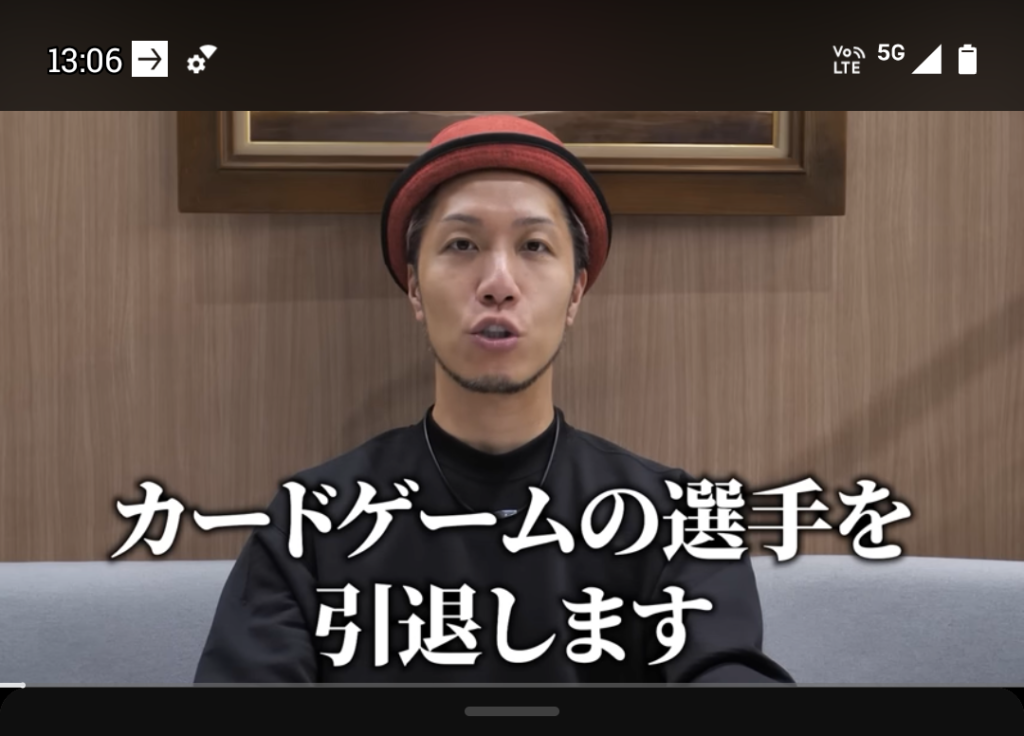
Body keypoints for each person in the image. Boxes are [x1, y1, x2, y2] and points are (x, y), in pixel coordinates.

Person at [193, 114, 793, 684]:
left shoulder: (676, 521)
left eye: (534, 246)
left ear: (576, 292)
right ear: (415, 287)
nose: (498, 284)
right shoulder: (310, 525)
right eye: (462, 245)